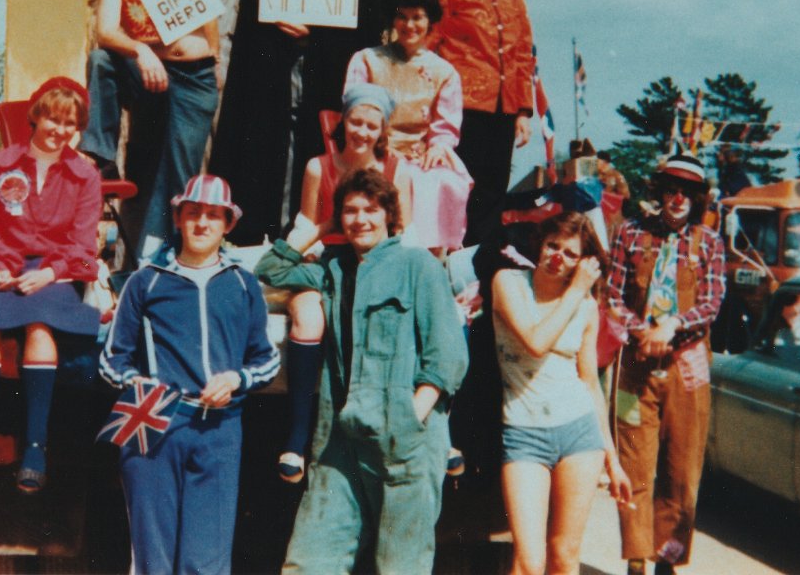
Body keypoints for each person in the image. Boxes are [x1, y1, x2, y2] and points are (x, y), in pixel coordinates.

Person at [256, 168, 468, 573]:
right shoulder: (332, 270)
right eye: (350, 211)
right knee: (309, 561)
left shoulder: (417, 266)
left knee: (400, 566)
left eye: (371, 209)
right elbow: (270, 269)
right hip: (341, 440)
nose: (360, 219)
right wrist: (323, 225)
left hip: (405, 440)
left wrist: (410, 416)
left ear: (390, 215)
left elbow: (447, 358)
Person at [100, 174, 279, 575]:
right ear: (178, 218)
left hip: (220, 429)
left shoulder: (242, 284)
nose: (202, 223)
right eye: (193, 213)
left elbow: (265, 360)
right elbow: (112, 359)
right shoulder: (145, 281)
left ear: (227, 225)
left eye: (213, 216)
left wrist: (236, 379)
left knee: (207, 561)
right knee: (152, 559)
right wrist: (140, 385)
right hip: (153, 423)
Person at [211, 0, 379, 245]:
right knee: (271, 143)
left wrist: (316, 37)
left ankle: (315, 232)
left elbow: (364, 18)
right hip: (274, 64)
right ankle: (265, 228)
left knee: (319, 143)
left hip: (329, 67)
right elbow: (254, 12)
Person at [0, 77, 102, 494]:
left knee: (39, 330)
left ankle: (36, 448)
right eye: (53, 118)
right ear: (35, 116)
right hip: (4, 267)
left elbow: (86, 249)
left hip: (56, 271)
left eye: (69, 123)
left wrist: (51, 273)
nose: (59, 130)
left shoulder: (85, 175)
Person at [278, 82, 412, 482]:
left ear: (382, 130)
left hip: (377, 259)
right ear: (344, 121)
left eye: (373, 125)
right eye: (356, 122)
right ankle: (296, 436)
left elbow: (403, 227)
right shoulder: (319, 166)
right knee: (306, 316)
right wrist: (296, 254)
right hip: (328, 255)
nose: (363, 132)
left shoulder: (396, 168)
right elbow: (305, 224)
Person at [78, 0, 220, 252]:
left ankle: (160, 254)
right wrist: (140, 49)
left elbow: (208, 10)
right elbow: (106, 32)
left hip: (194, 76)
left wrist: (215, 54)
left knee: (177, 172)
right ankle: (100, 153)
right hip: (149, 76)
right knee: (102, 61)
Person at [603, 153, 726, 575]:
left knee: (682, 471)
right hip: (635, 371)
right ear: (659, 192)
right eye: (671, 190)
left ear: (697, 198)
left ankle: (667, 561)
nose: (677, 199)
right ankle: (637, 559)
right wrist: (642, 332)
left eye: (686, 192)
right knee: (634, 464)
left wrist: (671, 325)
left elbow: (711, 303)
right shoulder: (629, 234)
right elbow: (612, 298)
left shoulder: (709, 242)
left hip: (689, 373)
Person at [492, 212, 632, 575]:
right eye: (553, 246)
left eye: (570, 254)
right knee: (529, 561)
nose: (557, 257)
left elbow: (589, 382)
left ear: (583, 263)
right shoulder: (509, 283)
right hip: (524, 433)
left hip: (578, 432)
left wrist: (612, 460)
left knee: (565, 554)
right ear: (540, 245)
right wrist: (575, 289)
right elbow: (536, 342)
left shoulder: (586, 308)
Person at [345, 0, 472, 253]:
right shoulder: (367, 60)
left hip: (418, 153)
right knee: (404, 178)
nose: (409, 25)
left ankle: (429, 256)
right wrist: (380, 145)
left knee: (445, 181)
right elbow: (356, 111)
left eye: (417, 17)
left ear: (429, 21)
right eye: (402, 17)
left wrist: (438, 146)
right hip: (373, 149)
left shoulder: (444, 72)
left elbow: (445, 125)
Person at [433, 0, 534, 249]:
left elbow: (522, 55)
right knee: (460, 184)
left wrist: (523, 111)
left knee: (494, 186)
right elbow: (431, 44)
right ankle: (453, 250)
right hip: (462, 106)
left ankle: (483, 258)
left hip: (503, 109)